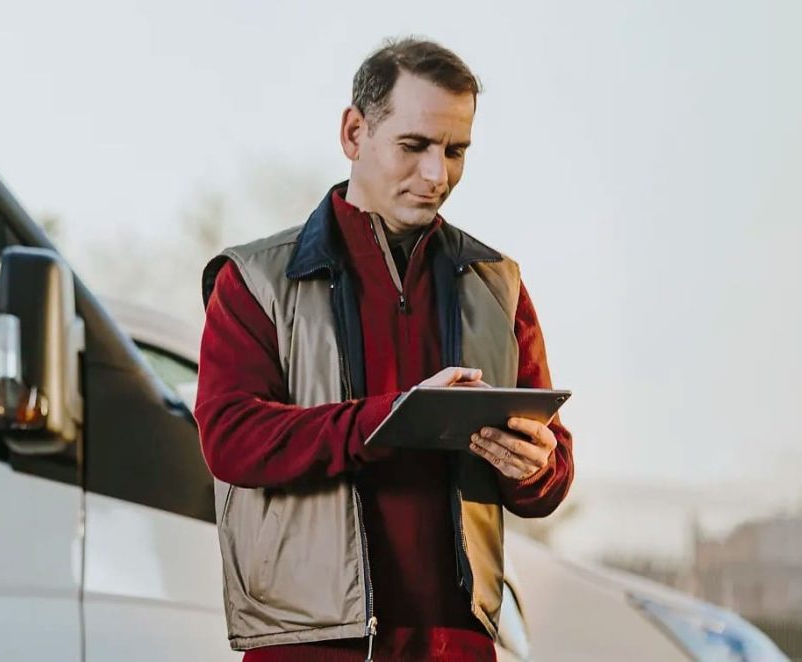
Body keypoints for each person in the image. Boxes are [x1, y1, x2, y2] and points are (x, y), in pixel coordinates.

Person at [195, 37, 574, 662]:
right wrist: (391, 420)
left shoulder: (499, 285)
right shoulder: (254, 281)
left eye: (456, 151)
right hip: (314, 647)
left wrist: (537, 467)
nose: (437, 174)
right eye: (415, 145)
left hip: (457, 646)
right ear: (353, 133)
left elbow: (551, 470)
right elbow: (230, 439)